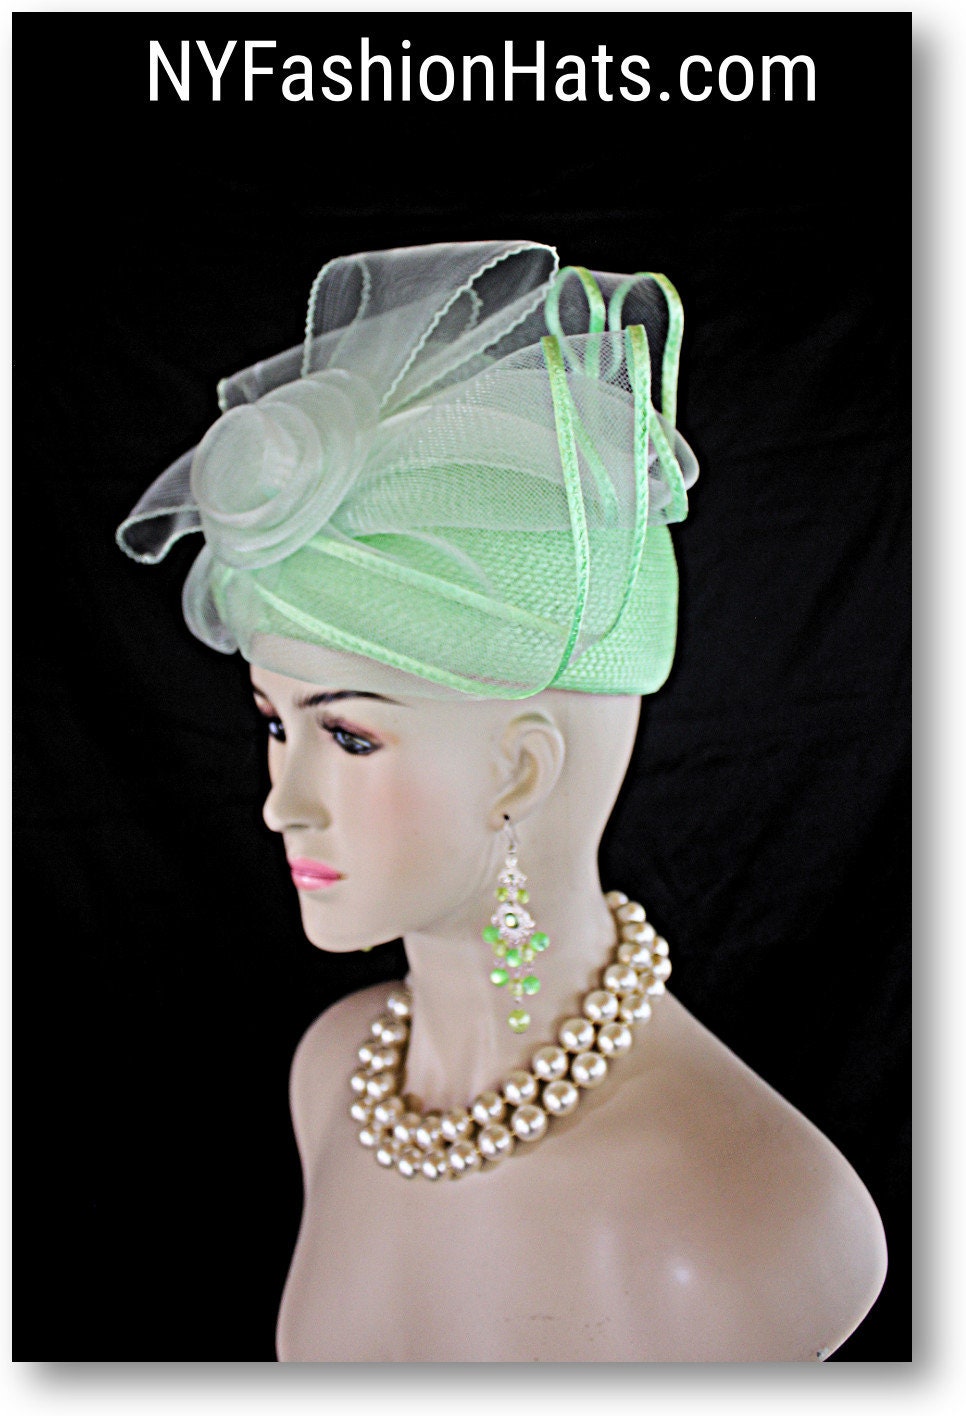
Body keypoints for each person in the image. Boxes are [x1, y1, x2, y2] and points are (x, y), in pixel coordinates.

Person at [117, 239, 887, 1362]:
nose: (284, 804)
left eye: (349, 735)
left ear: (521, 773)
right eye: (276, 724)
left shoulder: (747, 1220)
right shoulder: (333, 1076)